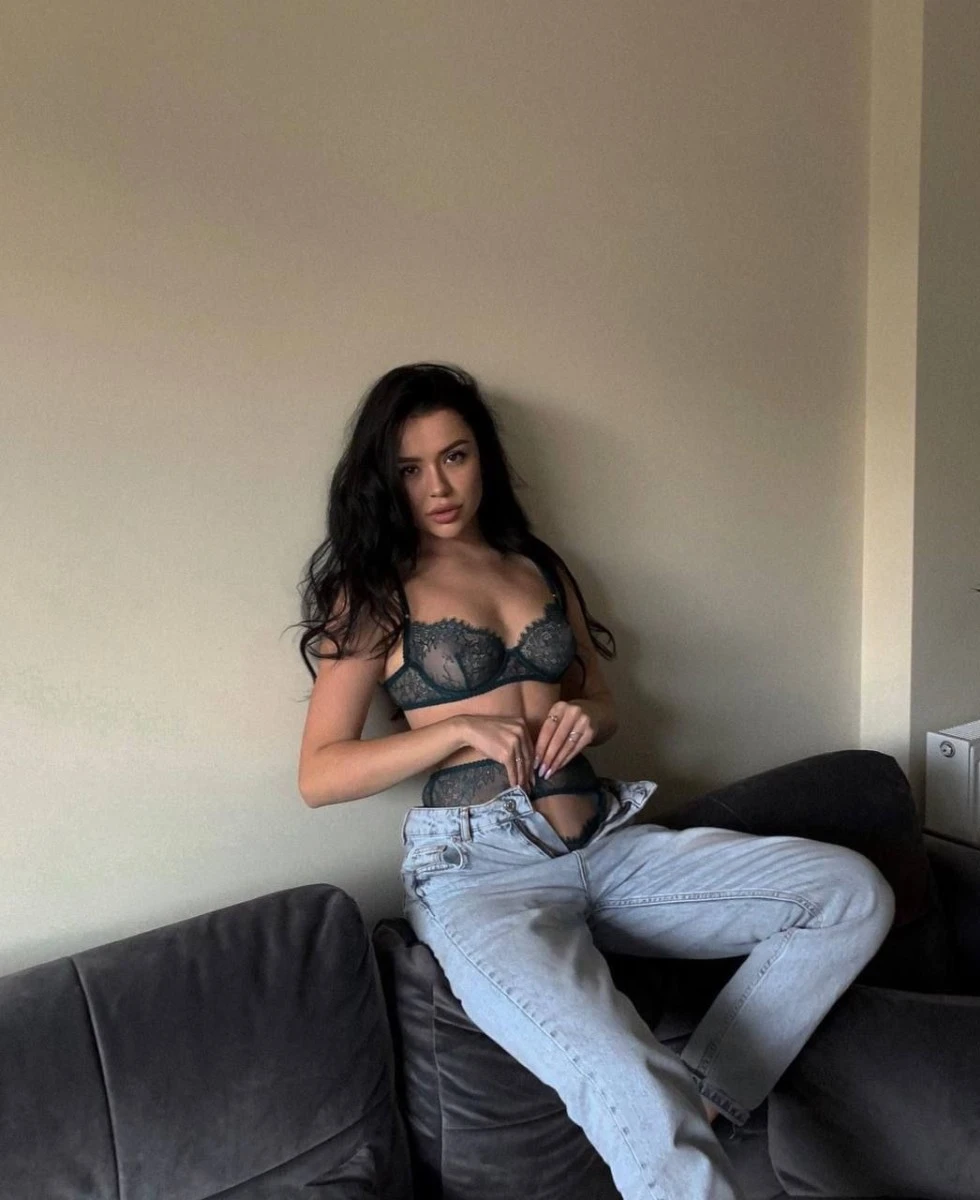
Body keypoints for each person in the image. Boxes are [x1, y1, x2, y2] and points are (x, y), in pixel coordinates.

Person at [292, 362, 895, 1200]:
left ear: (483, 455)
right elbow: (319, 773)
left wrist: (586, 718)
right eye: (410, 468)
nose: (438, 487)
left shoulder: (535, 567)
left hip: (604, 845)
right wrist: (452, 731)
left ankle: (703, 1097)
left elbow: (599, 699)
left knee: (848, 893)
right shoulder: (371, 595)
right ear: (381, 478)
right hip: (479, 874)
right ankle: (665, 1120)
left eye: (455, 456)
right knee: (625, 1074)